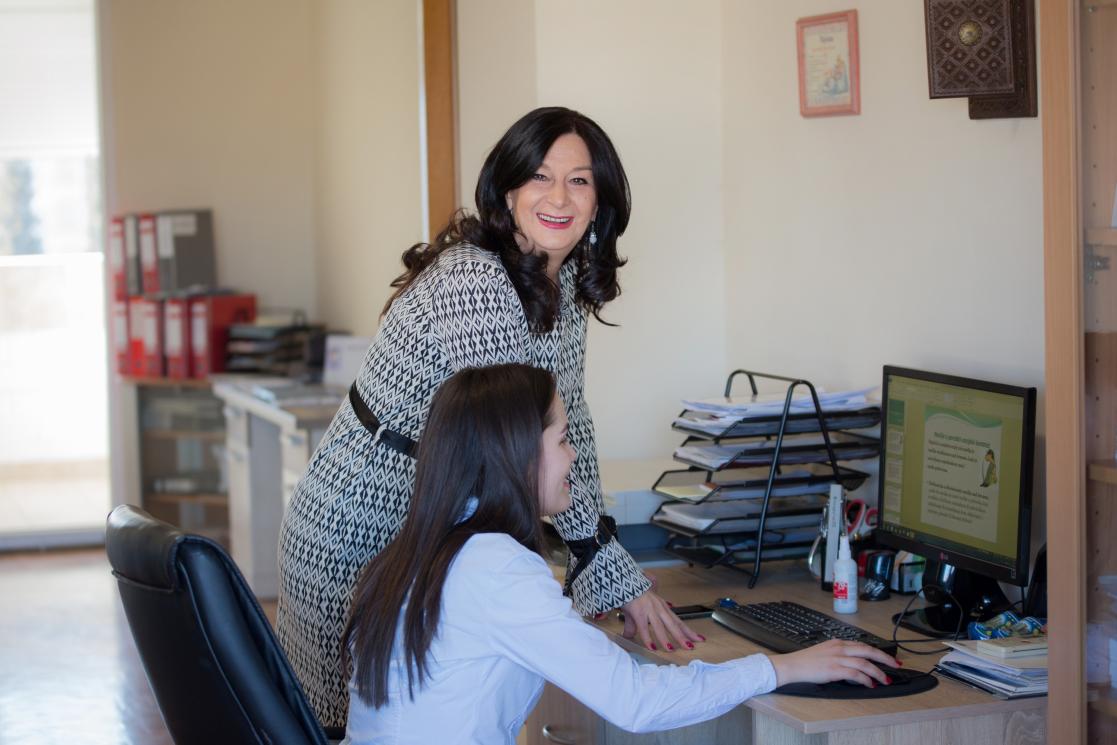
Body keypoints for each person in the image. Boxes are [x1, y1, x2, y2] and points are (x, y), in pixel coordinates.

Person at [278, 107, 698, 728]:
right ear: (508, 190)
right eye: (540, 177)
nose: (559, 197)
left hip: (432, 520)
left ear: (601, 200)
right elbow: (520, 444)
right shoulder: (479, 283)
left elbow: (568, 420)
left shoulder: (566, 277)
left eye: (579, 181)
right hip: (363, 519)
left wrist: (601, 561)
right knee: (350, 724)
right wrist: (612, 575)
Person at [339, 364, 899, 744]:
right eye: (561, 440)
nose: (573, 454)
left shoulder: (420, 549)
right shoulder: (495, 568)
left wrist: (572, 623)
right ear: (515, 454)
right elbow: (634, 702)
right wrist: (781, 667)